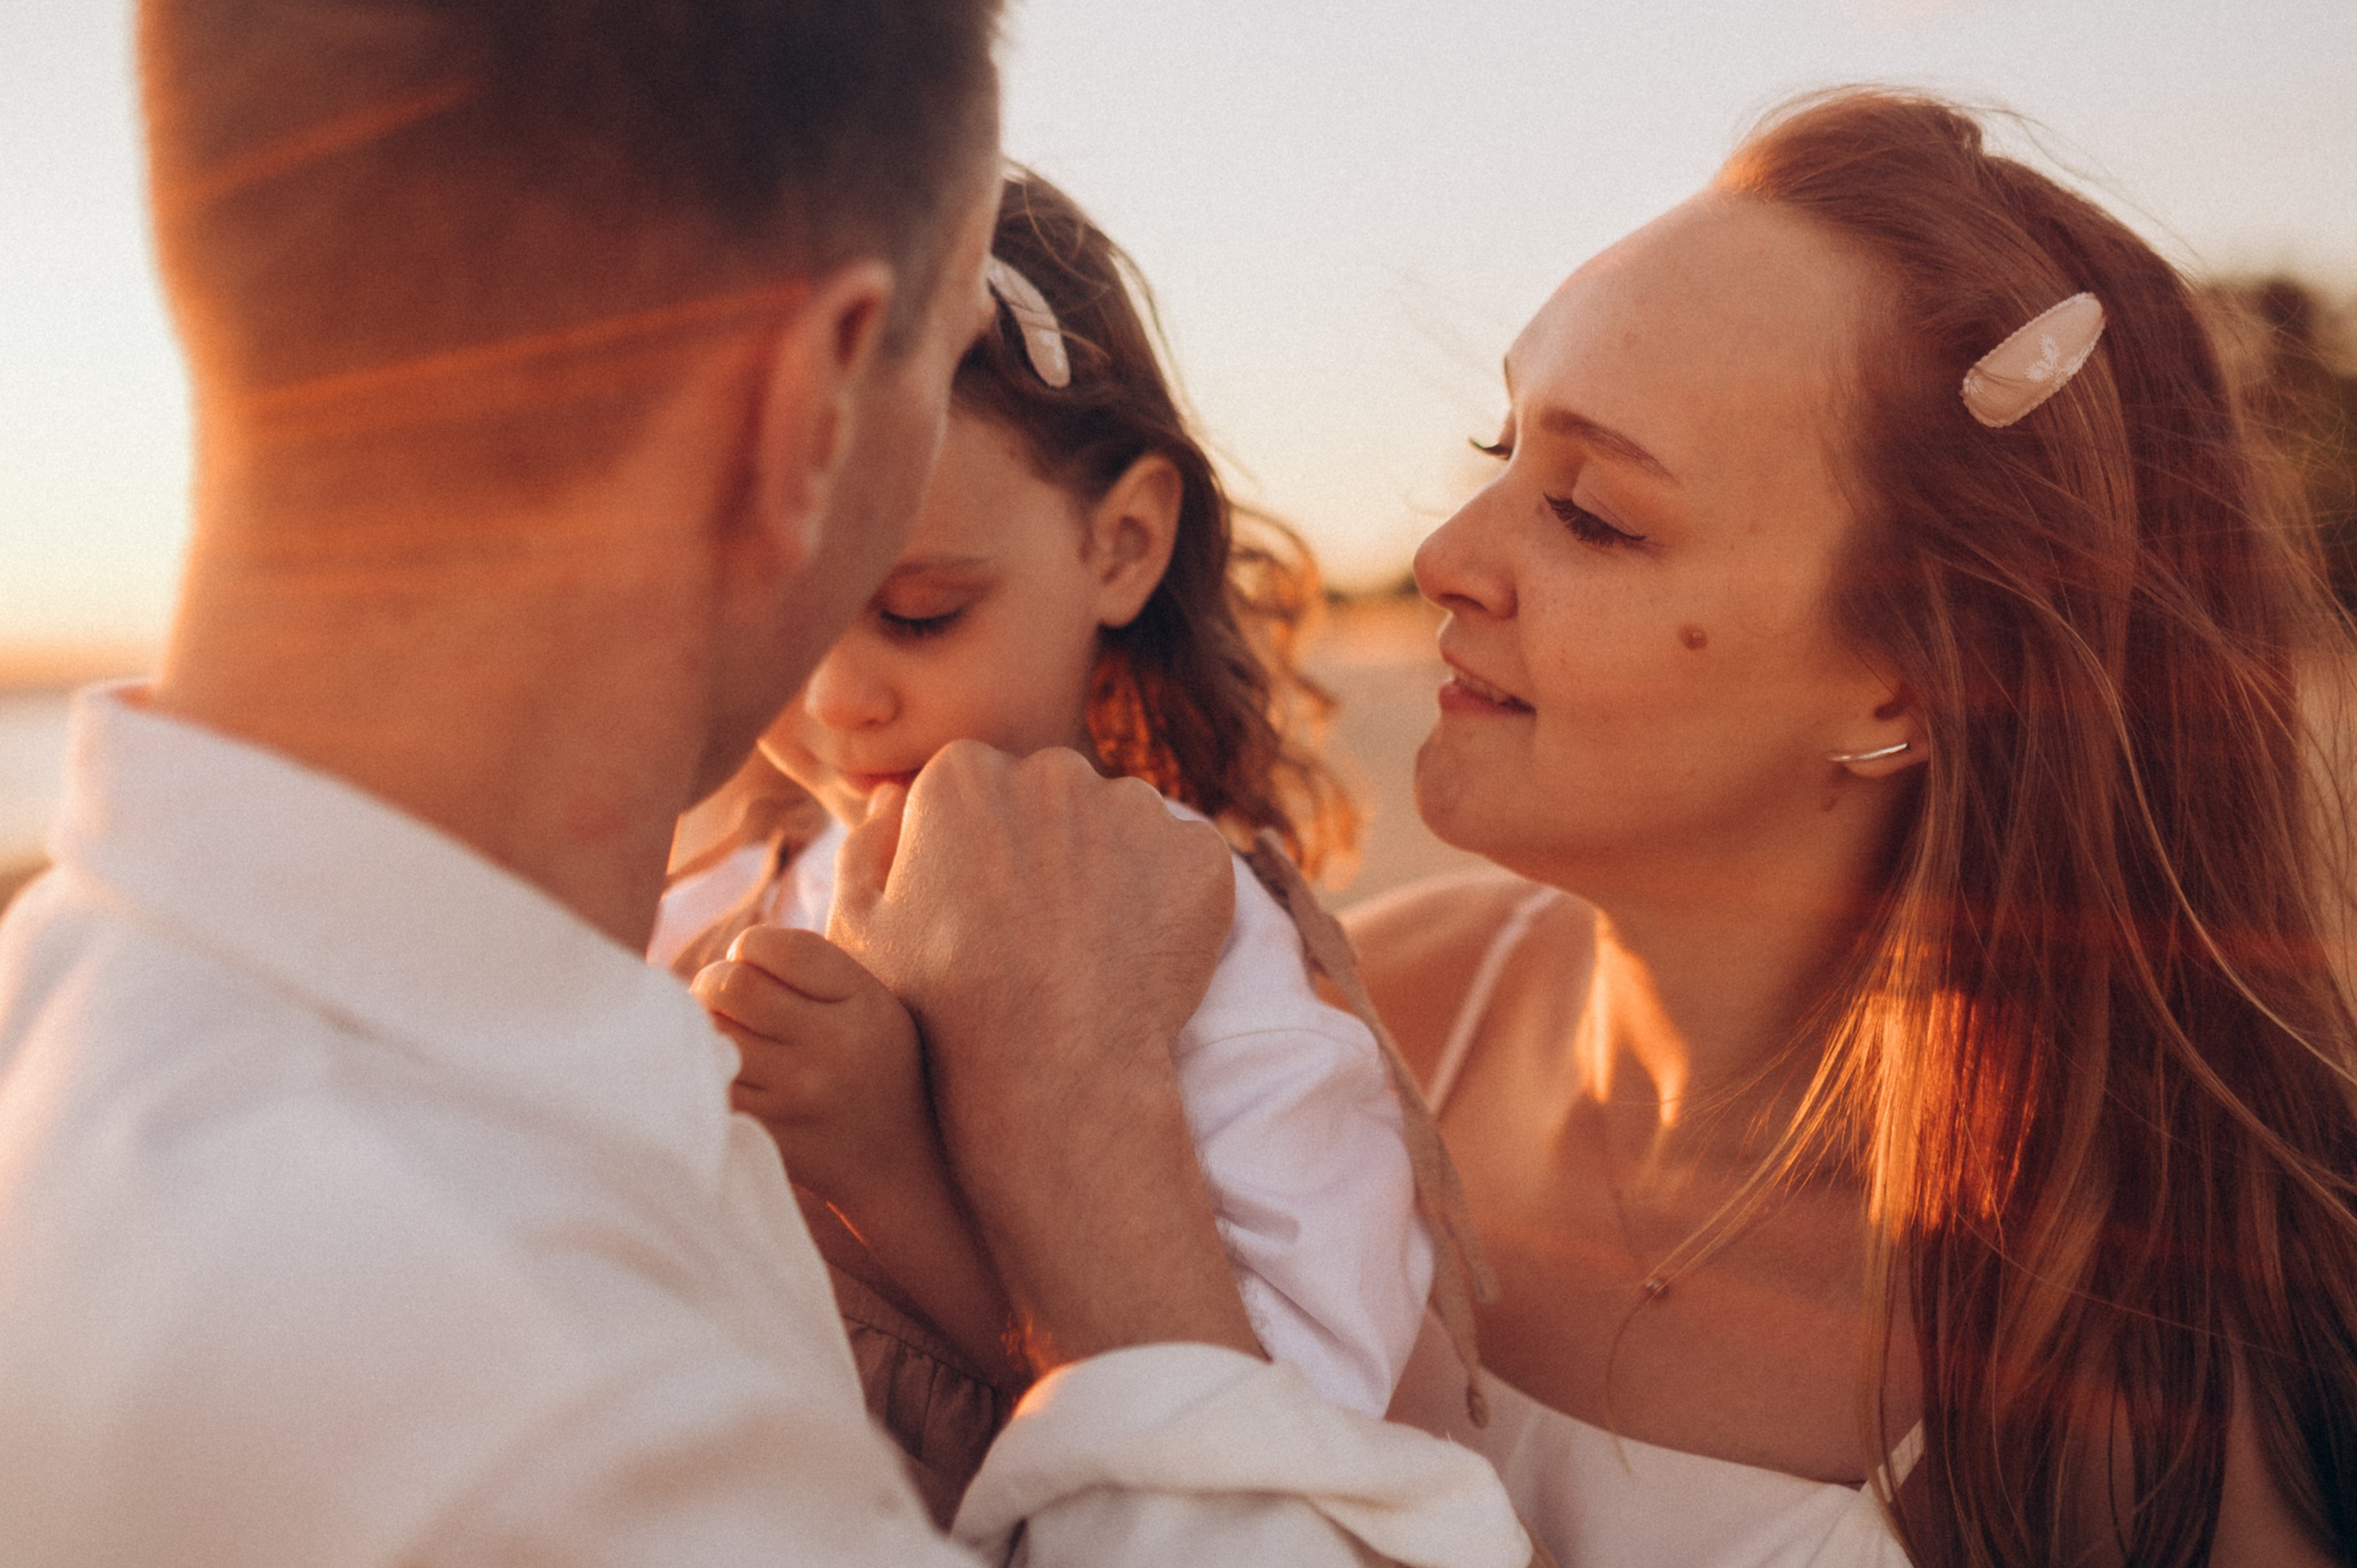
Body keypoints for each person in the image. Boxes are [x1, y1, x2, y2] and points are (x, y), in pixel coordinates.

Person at [0, 4, 1527, 1565]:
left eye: (926, 611)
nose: (857, 691)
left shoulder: (80, 1037)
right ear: (808, 411)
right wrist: (1052, 1146)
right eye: (936, 373)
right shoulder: (561, 1436)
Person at [1364, 89, 2357, 1567]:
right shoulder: (1362, 1020)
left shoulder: (2152, 1364)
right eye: (1501, 447)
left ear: (1914, 672)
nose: (1448, 558)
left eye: (1592, 514)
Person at [651, 171, 1433, 1519]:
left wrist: (890, 1164)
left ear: (1120, 544)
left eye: (918, 613)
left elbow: (1285, 1456)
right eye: (778, 612)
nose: (839, 698)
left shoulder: (1215, 961)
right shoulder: (722, 881)